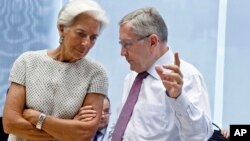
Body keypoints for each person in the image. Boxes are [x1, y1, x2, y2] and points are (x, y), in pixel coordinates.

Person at [2, 0, 109, 141]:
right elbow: (10, 124)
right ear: (62, 28)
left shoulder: (96, 73)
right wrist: (66, 131)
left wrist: (38, 118)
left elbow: (83, 134)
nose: (86, 43)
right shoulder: (27, 62)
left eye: (93, 37)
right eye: (81, 34)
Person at [109, 7, 214, 141]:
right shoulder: (132, 77)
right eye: (121, 44)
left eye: (127, 44)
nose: (122, 52)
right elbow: (123, 128)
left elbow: (200, 136)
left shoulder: (188, 76)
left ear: (152, 42)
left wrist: (178, 97)